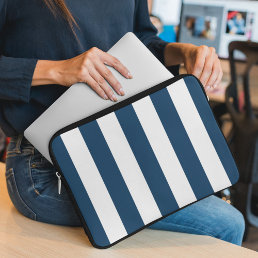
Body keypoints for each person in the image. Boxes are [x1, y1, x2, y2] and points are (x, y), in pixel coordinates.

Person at [0, 0, 244, 246]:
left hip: (120, 148)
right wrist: (58, 70)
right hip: (45, 168)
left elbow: (142, 42)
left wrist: (184, 52)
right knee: (226, 223)